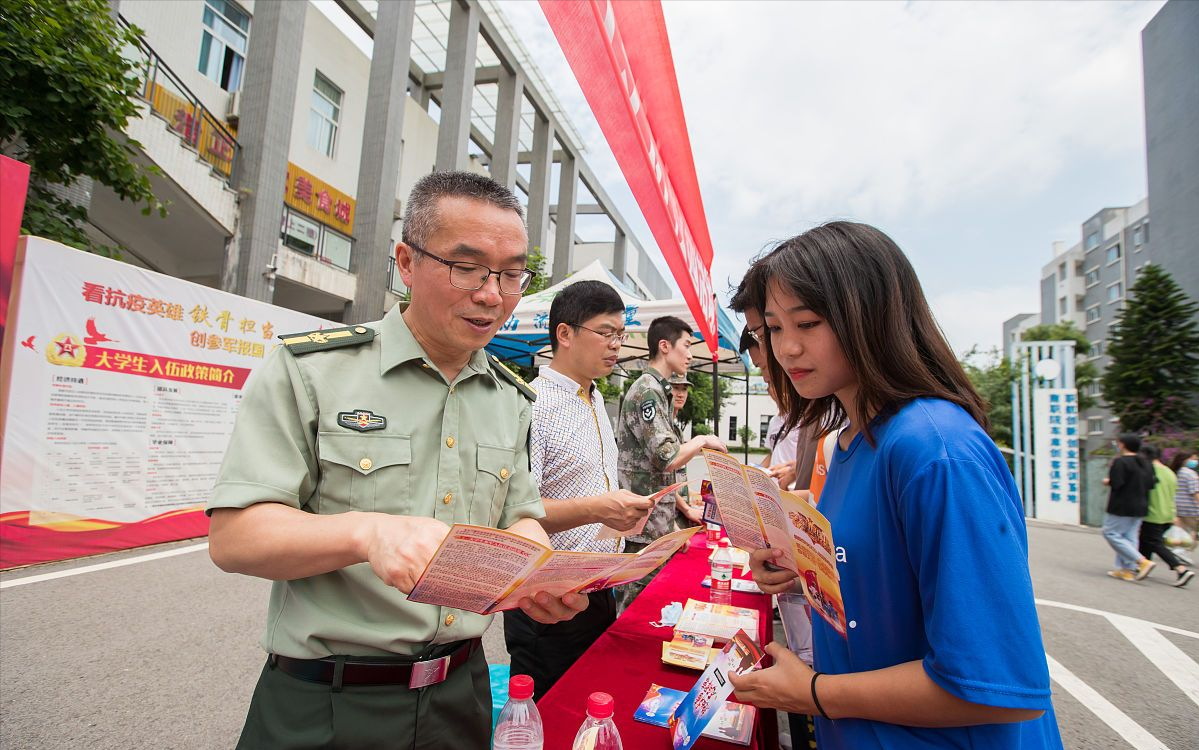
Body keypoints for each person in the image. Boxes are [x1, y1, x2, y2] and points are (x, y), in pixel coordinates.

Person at [206, 171, 588, 749]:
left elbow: (519, 514)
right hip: (328, 705)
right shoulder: (312, 372)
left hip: (461, 693)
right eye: (468, 267)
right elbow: (235, 538)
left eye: (511, 274)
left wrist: (538, 570)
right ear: (406, 263)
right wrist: (367, 534)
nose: (492, 295)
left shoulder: (509, 398)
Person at [730, 221, 1063, 750]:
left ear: (872, 316)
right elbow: (884, 588)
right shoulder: (851, 442)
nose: (787, 348)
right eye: (772, 328)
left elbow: (999, 688)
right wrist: (805, 575)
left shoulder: (935, 450)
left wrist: (813, 693)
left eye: (808, 323)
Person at [504, 279, 654, 700]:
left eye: (620, 334)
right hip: (549, 600)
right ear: (565, 334)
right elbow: (516, 511)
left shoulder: (596, 400)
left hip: (601, 587)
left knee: (593, 711)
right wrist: (598, 508)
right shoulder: (533, 405)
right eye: (605, 332)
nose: (616, 345)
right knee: (548, 713)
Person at [616, 315, 727, 608]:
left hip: (654, 528)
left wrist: (671, 529)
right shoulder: (648, 391)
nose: (690, 354)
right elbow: (668, 458)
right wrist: (703, 440)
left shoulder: (658, 390)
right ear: (664, 346)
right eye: (686, 345)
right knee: (635, 613)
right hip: (643, 531)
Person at [1102, 433, 1157, 582]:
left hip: (1122, 505)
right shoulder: (1146, 463)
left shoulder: (1120, 462)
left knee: (1110, 533)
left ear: (1123, 445)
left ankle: (1141, 561)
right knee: (1129, 536)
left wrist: (1107, 481)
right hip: (1141, 504)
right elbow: (1151, 484)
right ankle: (1126, 570)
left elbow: (1117, 483)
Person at [1137, 444, 1193, 587]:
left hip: (1153, 512)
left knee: (1154, 542)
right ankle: (1143, 566)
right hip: (1168, 513)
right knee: (1146, 539)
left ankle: (1181, 569)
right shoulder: (1169, 472)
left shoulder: (1149, 471)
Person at [1170, 451, 1199, 555]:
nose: (1195, 461)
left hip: (1177, 506)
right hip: (1190, 507)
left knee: (1181, 529)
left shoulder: (1175, 472)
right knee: (1192, 531)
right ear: (1185, 460)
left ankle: (1177, 549)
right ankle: (1183, 551)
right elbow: (1194, 492)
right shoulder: (1190, 474)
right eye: (1193, 459)